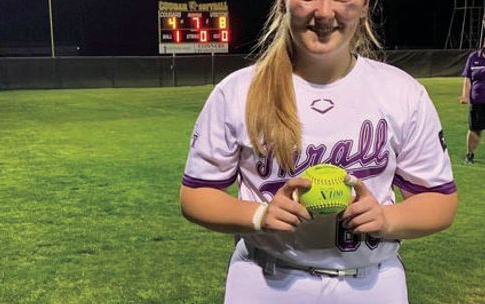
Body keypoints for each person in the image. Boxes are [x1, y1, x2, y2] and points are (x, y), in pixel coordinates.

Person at [180, 0, 458, 303]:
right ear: (284, 4)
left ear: (365, 6)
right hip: (265, 281)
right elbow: (196, 195)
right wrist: (259, 214)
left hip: (373, 283)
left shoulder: (401, 92)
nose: (324, 12)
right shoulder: (238, 91)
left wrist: (388, 220)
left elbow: (439, 201)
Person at [460, 46, 485, 164]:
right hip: (477, 101)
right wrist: (465, 95)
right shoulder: (474, 57)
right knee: (474, 130)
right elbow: (468, 79)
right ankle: (469, 154)